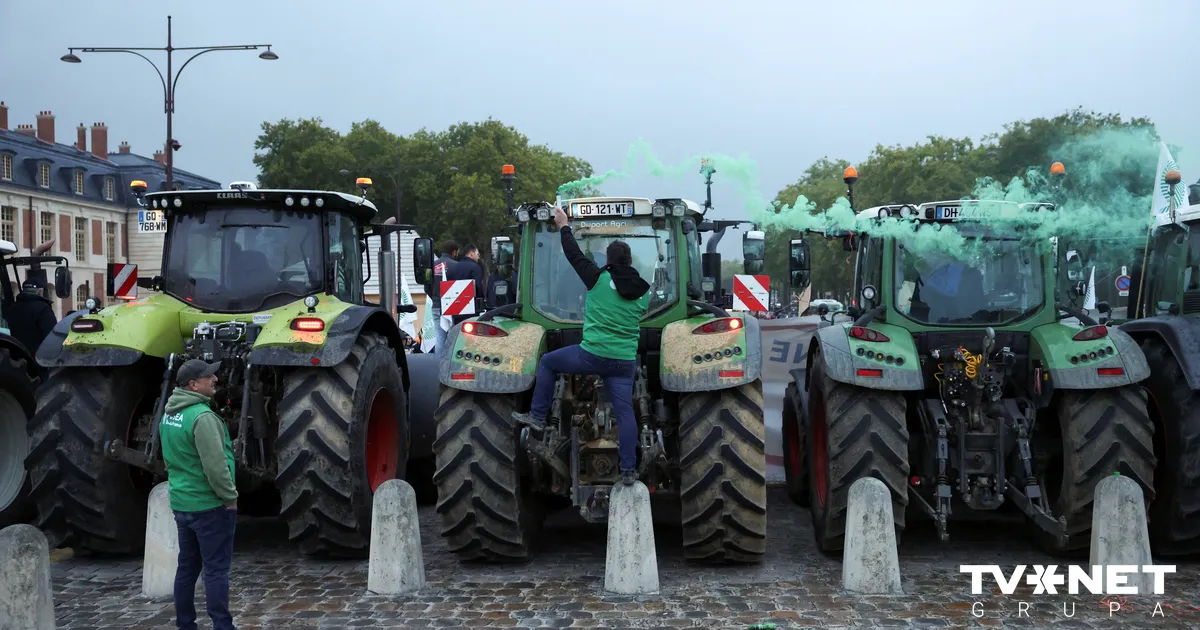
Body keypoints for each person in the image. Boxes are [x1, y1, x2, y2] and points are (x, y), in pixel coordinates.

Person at [511, 207, 650, 485]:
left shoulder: (597, 278)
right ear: (631, 261)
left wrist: (564, 225)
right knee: (625, 415)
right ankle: (628, 471)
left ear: (607, 261)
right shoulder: (644, 291)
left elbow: (573, 254)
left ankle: (538, 417)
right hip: (623, 363)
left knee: (549, 362)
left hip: (592, 356)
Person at [159, 359, 238, 630]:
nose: (215, 379)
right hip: (209, 506)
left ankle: (185, 625)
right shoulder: (202, 418)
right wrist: (230, 498)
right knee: (216, 570)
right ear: (193, 384)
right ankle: (223, 626)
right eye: (208, 376)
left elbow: (169, 460)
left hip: (182, 503)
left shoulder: (169, 414)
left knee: (187, 569)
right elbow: (216, 468)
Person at [6, 276, 57, 380]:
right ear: (39, 291)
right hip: (38, 360)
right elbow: (51, 335)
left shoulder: (12, 308)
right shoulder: (43, 309)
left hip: (15, 356)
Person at [432, 241, 460, 356]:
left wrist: (435, 297)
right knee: (453, 337)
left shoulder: (433, 265)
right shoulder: (457, 265)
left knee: (439, 338)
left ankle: (437, 364)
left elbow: (426, 287)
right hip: (452, 307)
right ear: (454, 252)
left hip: (436, 305)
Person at [448, 243, 484, 324]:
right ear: (471, 254)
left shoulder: (453, 267)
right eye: (478, 254)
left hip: (455, 308)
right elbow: (478, 287)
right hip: (471, 309)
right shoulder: (475, 267)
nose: (479, 257)